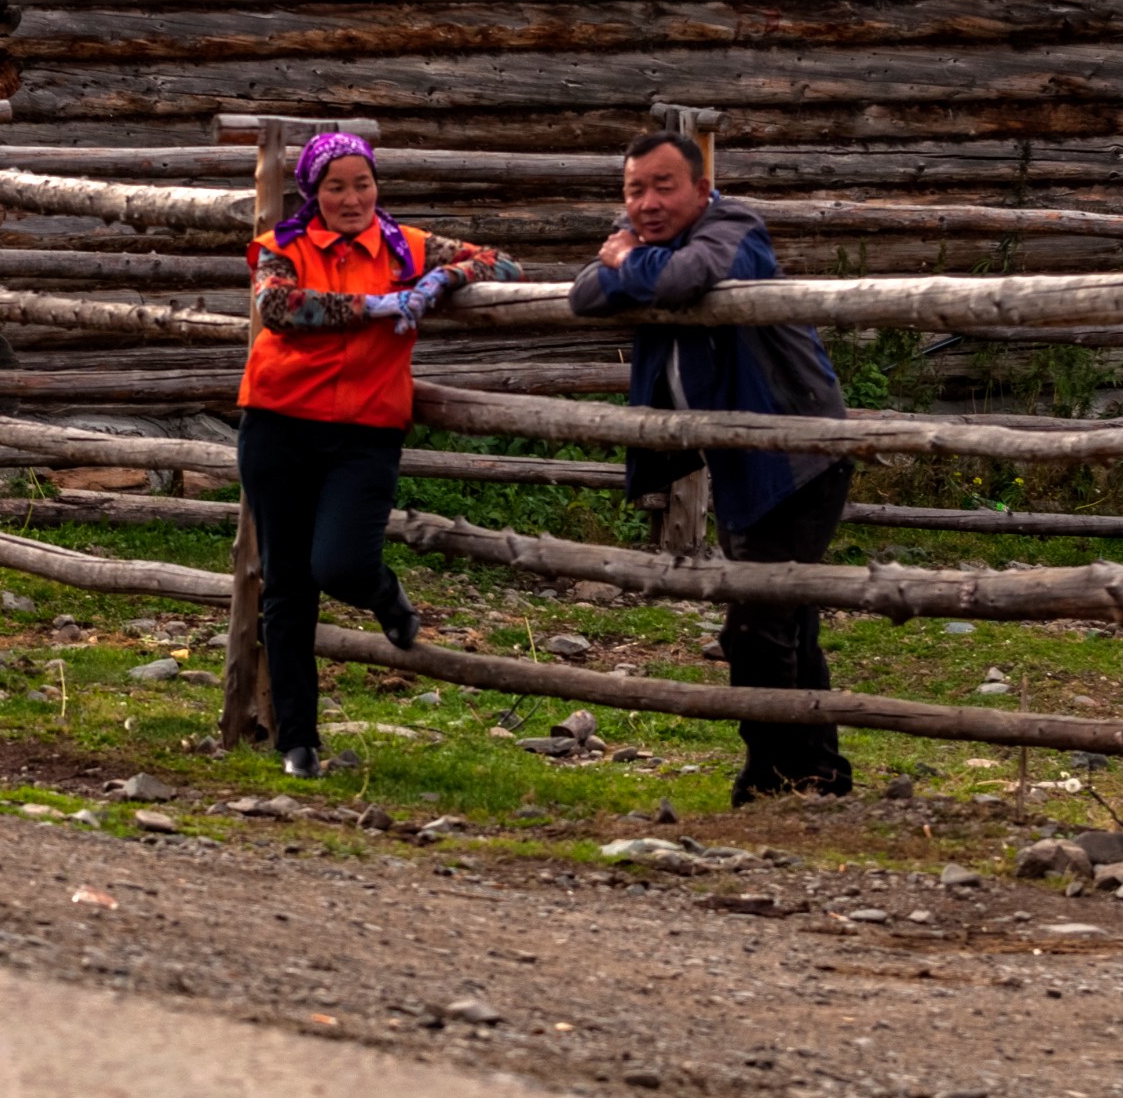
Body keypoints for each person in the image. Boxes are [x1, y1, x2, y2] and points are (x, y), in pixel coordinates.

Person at [568, 130, 853, 805]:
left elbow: (686, 280)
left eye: (664, 186)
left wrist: (629, 264)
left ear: (701, 188)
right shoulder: (643, 238)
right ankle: (813, 771)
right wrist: (629, 262)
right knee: (786, 617)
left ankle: (774, 773)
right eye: (635, 189)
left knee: (755, 626)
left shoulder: (735, 227)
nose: (648, 201)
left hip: (797, 456)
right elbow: (585, 293)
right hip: (745, 460)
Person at [237, 132, 521, 778]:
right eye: (335, 186)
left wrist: (442, 279)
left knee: (340, 563)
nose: (351, 198)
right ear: (314, 192)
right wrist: (376, 305)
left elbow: (502, 264)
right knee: (286, 586)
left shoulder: (406, 246)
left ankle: (384, 595)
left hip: (365, 431)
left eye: (362, 183)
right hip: (279, 423)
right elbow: (279, 307)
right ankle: (299, 742)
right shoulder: (283, 247)